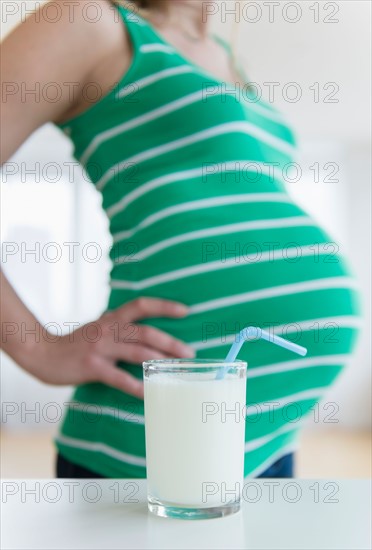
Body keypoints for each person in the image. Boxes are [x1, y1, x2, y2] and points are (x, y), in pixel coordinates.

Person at [1, 0, 360, 479]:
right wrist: (39, 349)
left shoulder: (226, 57)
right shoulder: (91, 22)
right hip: (149, 447)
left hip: (264, 441)